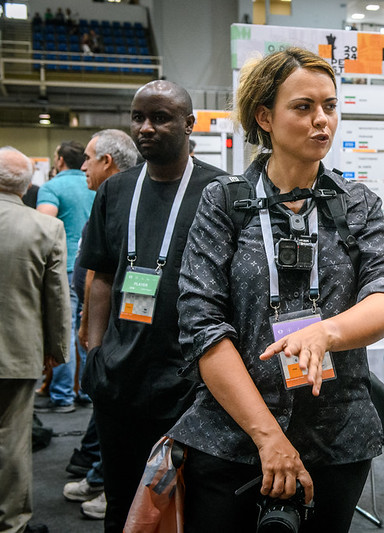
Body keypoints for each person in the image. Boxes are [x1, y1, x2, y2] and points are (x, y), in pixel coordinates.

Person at [166, 47, 384, 533]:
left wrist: (327, 333)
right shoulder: (224, 203)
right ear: (265, 117)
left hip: (335, 439)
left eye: (330, 107)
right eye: (303, 107)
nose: (322, 120)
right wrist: (268, 438)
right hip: (231, 437)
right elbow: (203, 328)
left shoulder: (358, 203)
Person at [80, 80, 224, 532]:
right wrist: (96, 348)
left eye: (160, 118)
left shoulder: (220, 190)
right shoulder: (116, 190)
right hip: (121, 378)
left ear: (188, 123)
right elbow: (101, 274)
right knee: (122, 499)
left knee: (190, 502)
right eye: (138, 117)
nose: (145, 128)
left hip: (189, 380)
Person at [63, 129, 139, 522]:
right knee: (103, 403)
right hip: (105, 332)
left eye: (89, 158)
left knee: (108, 402)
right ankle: (97, 474)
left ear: (107, 161)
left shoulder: (122, 198)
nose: (84, 166)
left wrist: (89, 330)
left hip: (115, 332)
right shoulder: (108, 198)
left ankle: (104, 482)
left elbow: (100, 272)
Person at [0, 146, 71, 533]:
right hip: (17, 351)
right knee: (11, 441)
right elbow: (56, 298)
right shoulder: (45, 228)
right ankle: (11, 523)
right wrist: (56, 351)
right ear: (28, 185)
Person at [35, 140, 94, 414]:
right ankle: (86, 390)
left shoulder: (52, 187)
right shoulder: (95, 183)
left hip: (65, 267)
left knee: (65, 331)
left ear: (59, 161)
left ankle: (62, 396)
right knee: (89, 327)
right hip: (92, 268)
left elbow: (44, 226)